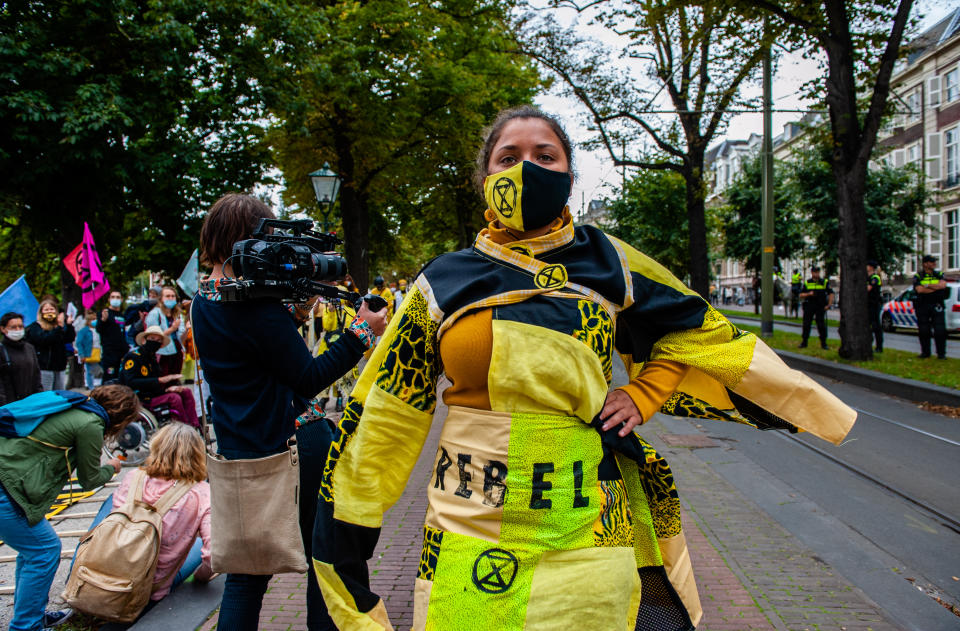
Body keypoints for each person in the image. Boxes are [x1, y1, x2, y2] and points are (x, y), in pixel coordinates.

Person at [312, 105, 856, 631]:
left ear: (569, 175)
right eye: (508, 157)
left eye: (545, 156)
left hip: (586, 522)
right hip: (467, 525)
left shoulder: (610, 261)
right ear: (484, 179)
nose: (526, 168)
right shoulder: (446, 279)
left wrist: (645, 395)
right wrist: (348, 535)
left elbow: (696, 329)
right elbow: (387, 410)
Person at [191, 193, 388, 631]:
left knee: (246, 575)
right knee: (327, 561)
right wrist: (361, 332)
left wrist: (292, 319)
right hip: (296, 447)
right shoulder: (256, 307)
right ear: (250, 240)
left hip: (244, 449)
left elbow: (253, 356)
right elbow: (307, 376)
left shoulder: (205, 298)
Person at [0, 384, 139, 631]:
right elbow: (89, 479)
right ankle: (26, 626)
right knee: (45, 551)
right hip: (7, 488)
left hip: (9, 481)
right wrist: (112, 467)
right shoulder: (91, 423)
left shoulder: (75, 405)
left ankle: (32, 615)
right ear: (121, 416)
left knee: (32, 551)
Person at [79, 422, 213, 608]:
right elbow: (213, 554)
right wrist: (201, 577)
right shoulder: (202, 492)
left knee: (113, 501)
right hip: (149, 588)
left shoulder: (134, 476)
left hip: (105, 572)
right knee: (198, 544)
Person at [118, 326, 199, 428]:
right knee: (174, 398)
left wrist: (168, 388)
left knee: (185, 391)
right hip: (139, 397)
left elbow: (157, 383)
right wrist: (159, 380)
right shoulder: (133, 357)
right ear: (144, 340)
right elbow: (130, 382)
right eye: (152, 339)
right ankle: (182, 430)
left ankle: (195, 426)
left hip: (153, 394)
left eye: (159, 340)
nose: (155, 342)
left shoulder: (153, 358)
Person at [26, 298, 76, 391]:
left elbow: (69, 338)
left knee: (59, 392)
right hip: (44, 367)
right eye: (46, 309)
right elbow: (44, 339)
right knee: (46, 392)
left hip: (59, 366)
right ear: (41, 312)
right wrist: (58, 328)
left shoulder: (59, 326)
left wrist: (69, 325)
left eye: (52, 309)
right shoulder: (36, 327)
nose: (49, 312)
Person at [0, 312, 43, 404]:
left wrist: (39, 397)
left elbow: (36, 375)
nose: (17, 330)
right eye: (13, 327)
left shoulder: (29, 348)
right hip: (9, 405)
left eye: (20, 326)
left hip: (30, 402)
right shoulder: (2, 350)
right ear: (3, 329)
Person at [145, 286, 186, 377]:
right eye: (167, 296)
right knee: (163, 378)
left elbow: (182, 338)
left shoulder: (177, 314)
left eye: (173, 296)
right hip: (162, 352)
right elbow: (152, 337)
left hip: (177, 350)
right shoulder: (155, 314)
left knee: (175, 378)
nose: (171, 298)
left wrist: (186, 329)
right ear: (161, 299)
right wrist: (172, 329)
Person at [914, 254, 948, 359]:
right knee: (924, 330)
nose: (934, 263)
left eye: (934, 261)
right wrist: (935, 288)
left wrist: (927, 285)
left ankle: (941, 354)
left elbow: (943, 285)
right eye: (931, 262)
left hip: (937, 305)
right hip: (922, 306)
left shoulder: (939, 274)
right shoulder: (918, 276)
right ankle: (925, 352)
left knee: (940, 330)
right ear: (925, 264)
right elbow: (919, 290)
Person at [97, 291, 129, 382]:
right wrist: (103, 320)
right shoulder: (104, 313)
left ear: (121, 300)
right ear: (109, 299)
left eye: (118, 297)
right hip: (109, 354)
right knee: (109, 378)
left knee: (119, 378)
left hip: (121, 353)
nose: (115, 299)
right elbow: (99, 329)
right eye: (113, 297)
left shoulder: (122, 315)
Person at [798, 266, 833, 349]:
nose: (816, 274)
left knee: (821, 325)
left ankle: (824, 343)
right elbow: (801, 295)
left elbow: (831, 293)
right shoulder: (807, 282)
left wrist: (829, 305)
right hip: (809, 306)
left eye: (817, 272)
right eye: (814, 272)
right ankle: (804, 342)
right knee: (806, 324)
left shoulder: (824, 282)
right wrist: (809, 294)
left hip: (820, 306)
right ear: (812, 273)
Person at [74, 310, 102, 389]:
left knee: (99, 370)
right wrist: (81, 355)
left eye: (95, 319)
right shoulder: (84, 331)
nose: (94, 321)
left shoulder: (98, 329)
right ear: (88, 321)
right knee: (90, 371)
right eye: (92, 319)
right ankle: (91, 387)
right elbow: (79, 343)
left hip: (99, 352)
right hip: (89, 352)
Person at [866, 260, 883, 353]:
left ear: (871, 267)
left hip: (874, 304)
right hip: (867, 305)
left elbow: (868, 289)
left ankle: (879, 346)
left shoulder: (875, 277)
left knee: (876, 326)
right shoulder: (866, 278)